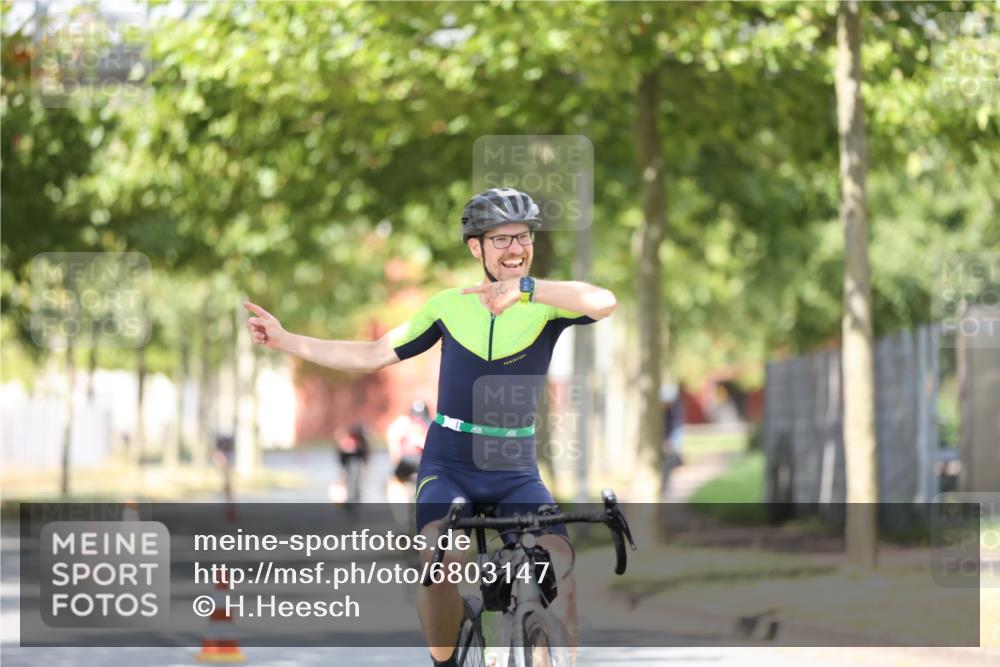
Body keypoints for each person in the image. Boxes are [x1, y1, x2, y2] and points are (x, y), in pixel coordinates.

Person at [245, 187, 617, 666]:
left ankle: (540, 642)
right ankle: (445, 661)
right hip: (450, 465)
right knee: (444, 563)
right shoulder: (448, 306)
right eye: (500, 239)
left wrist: (527, 289)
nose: (515, 248)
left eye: (523, 237)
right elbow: (374, 354)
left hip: (515, 469)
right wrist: (287, 340)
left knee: (557, 564)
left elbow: (603, 300)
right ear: (475, 248)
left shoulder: (545, 304)